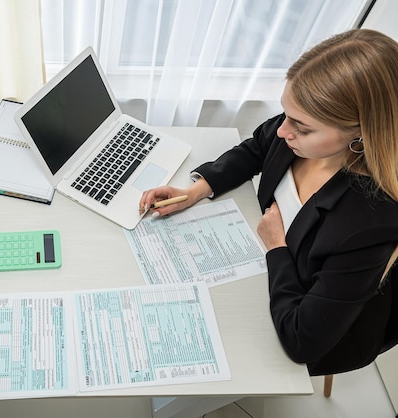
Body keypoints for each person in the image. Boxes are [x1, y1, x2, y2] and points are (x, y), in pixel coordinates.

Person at [139, 28, 398, 376]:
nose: (283, 130)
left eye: (302, 128)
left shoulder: (370, 223)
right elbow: (258, 148)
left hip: (308, 316)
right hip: (264, 270)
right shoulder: (295, 131)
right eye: (286, 114)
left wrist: (276, 247)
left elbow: (302, 341)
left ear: (360, 131)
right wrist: (199, 189)